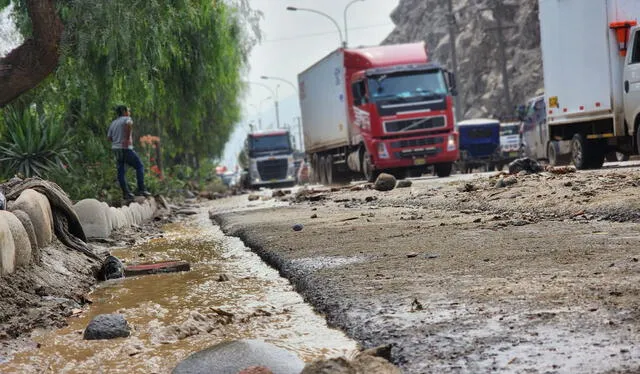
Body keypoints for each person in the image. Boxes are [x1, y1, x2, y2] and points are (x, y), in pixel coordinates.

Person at [107, 105, 151, 200]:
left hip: (116, 149)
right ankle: (141, 189)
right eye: (128, 110)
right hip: (126, 148)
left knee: (121, 171)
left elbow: (109, 138)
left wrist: (117, 140)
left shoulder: (113, 123)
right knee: (139, 166)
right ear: (124, 111)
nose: (129, 112)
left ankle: (126, 193)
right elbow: (129, 124)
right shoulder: (126, 119)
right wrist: (126, 139)